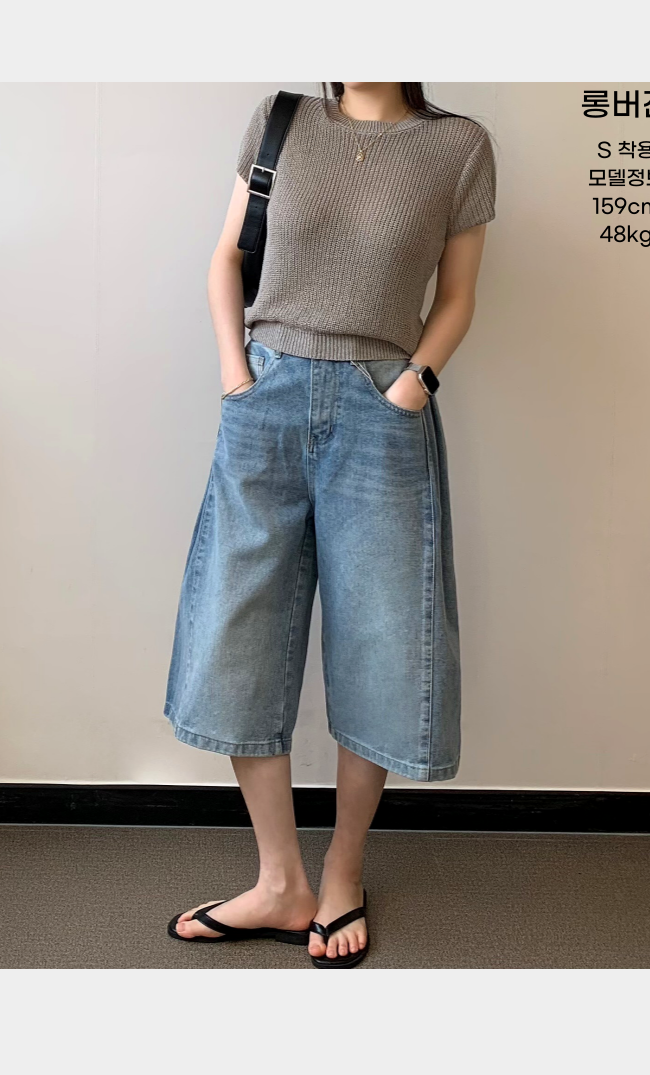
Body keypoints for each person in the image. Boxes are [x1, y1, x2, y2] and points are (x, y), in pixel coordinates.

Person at [164, 83, 496, 967]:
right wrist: (237, 379)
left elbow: (457, 297)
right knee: (236, 625)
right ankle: (281, 882)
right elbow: (227, 258)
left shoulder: (459, 147)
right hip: (265, 394)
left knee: (382, 636)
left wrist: (411, 387)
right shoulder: (282, 120)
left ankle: (343, 873)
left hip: (380, 407)